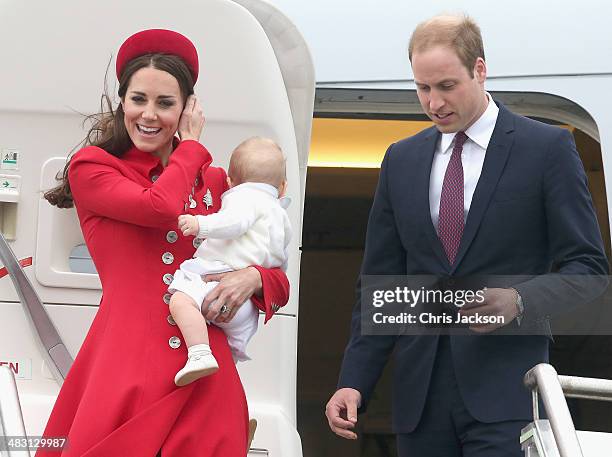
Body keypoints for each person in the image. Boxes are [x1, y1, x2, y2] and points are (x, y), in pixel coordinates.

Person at [325, 14, 608, 457]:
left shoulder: (546, 149)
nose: (433, 102)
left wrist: (519, 301)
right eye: (422, 88)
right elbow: (379, 284)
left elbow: (589, 270)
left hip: (508, 395)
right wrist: (354, 380)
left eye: (446, 86)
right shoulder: (401, 160)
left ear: (480, 69)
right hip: (420, 401)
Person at [38, 29, 289, 457]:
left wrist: (253, 277)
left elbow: (275, 267)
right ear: (122, 102)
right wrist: (189, 146)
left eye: (165, 103)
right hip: (126, 368)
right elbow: (160, 207)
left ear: (188, 106)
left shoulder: (213, 181)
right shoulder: (94, 168)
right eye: (138, 99)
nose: (149, 115)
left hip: (204, 369)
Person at [168, 136, 291, 386]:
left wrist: (199, 224)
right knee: (227, 368)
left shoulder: (243, 198)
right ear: (283, 187)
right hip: (247, 309)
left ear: (230, 182)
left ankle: (199, 353)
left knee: (180, 299)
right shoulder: (279, 213)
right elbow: (281, 262)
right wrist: (260, 276)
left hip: (214, 285)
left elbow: (233, 222)